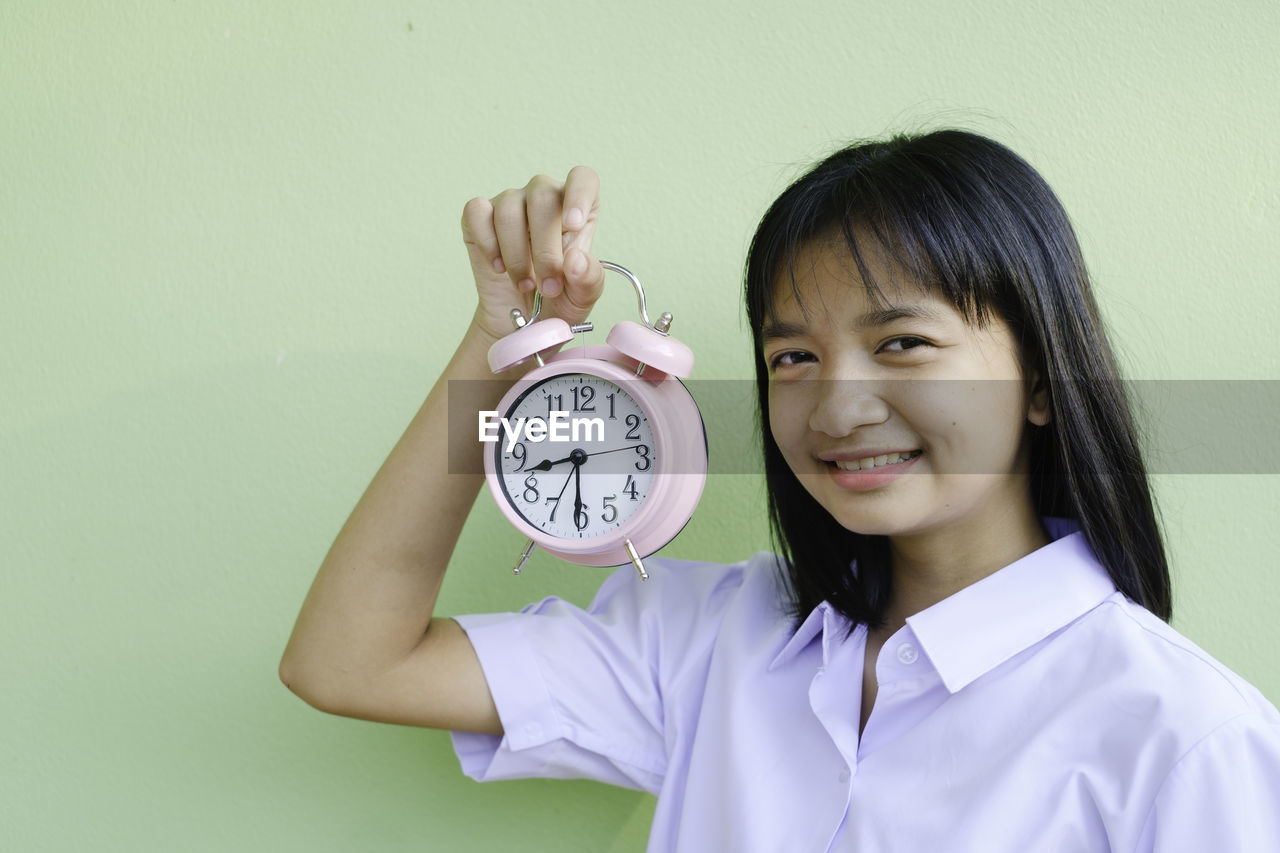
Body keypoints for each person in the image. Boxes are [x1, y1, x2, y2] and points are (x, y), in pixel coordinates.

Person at [280, 130, 1280, 851]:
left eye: (901, 343)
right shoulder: (709, 638)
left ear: (1037, 381)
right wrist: (498, 344)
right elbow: (347, 661)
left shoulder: (1184, 738)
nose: (837, 408)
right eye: (791, 356)